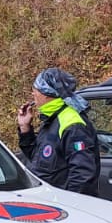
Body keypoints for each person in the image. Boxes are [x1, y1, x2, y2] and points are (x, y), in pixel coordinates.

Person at [17, 67, 100, 195]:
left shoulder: (72, 124)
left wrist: (71, 206)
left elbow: (83, 176)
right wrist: (25, 128)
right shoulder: (53, 120)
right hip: (46, 202)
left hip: (63, 208)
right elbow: (38, 159)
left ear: (46, 94)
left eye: (35, 91)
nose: (33, 94)